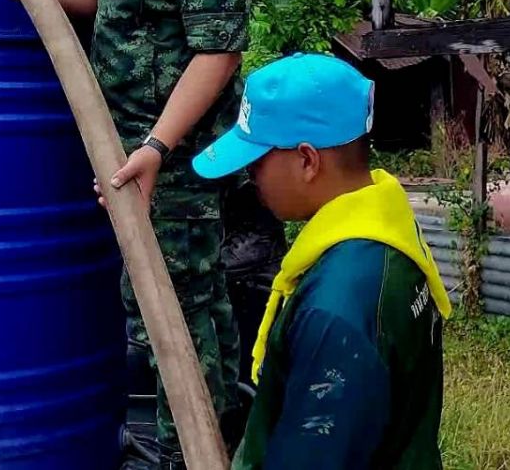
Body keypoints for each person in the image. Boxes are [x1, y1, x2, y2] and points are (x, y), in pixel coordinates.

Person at [0, 0, 252, 469]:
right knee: (182, 310)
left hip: (175, 165)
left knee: (175, 316)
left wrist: (158, 147)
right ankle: (215, 445)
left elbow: (219, 52)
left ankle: (190, 453)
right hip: (131, 152)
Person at [192, 53, 452, 470]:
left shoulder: (337, 307)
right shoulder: (389, 237)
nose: (249, 176)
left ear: (307, 160)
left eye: (257, 161)